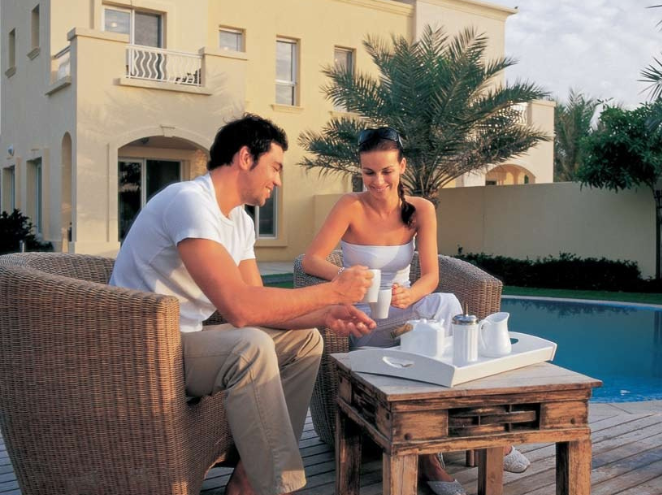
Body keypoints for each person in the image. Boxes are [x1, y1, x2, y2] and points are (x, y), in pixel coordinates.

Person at [110, 114, 376, 495]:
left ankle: (248, 481)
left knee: (306, 342)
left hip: (186, 341)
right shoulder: (190, 202)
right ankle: (277, 485)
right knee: (250, 346)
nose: (278, 181)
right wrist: (333, 291)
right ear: (246, 157)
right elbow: (239, 307)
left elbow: (260, 304)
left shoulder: (240, 222)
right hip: (144, 350)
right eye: (275, 167)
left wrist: (325, 315)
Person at [301, 127, 530, 495]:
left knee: (448, 305)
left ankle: (486, 428)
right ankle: (429, 461)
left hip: (407, 308)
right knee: (430, 343)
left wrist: (410, 295)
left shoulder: (421, 209)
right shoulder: (350, 206)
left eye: (386, 171)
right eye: (369, 172)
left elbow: (431, 277)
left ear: (402, 166)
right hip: (366, 316)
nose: (377, 181)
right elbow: (311, 260)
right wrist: (345, 277)